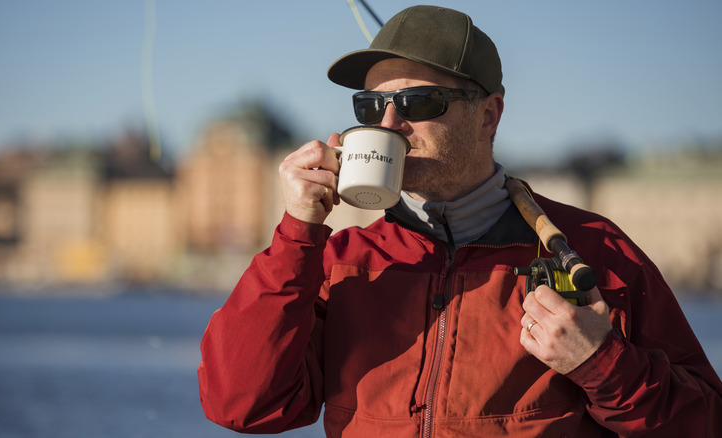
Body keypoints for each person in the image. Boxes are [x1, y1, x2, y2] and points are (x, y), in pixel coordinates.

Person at [198, 5, 722, 437]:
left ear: (488, 116)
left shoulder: (591, 250)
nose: (389, 125)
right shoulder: (342, 260)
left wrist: (600, 363)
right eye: (370, 105)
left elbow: (704, 424)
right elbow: (243, 404)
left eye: (418, 101)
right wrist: (297, 231)